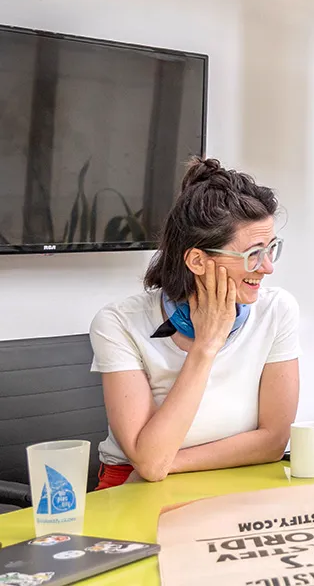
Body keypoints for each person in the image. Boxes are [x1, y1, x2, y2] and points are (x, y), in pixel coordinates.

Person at [89, 157, 300, 487]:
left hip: (235, 479)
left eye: (272, 248)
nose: (268, 267)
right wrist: (205, 346)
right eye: (254, 253)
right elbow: (146, 466)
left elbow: (273, 442)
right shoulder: (118, 323)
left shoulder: (277, 310)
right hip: (133, 488)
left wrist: (165, 461)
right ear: (198, 260)